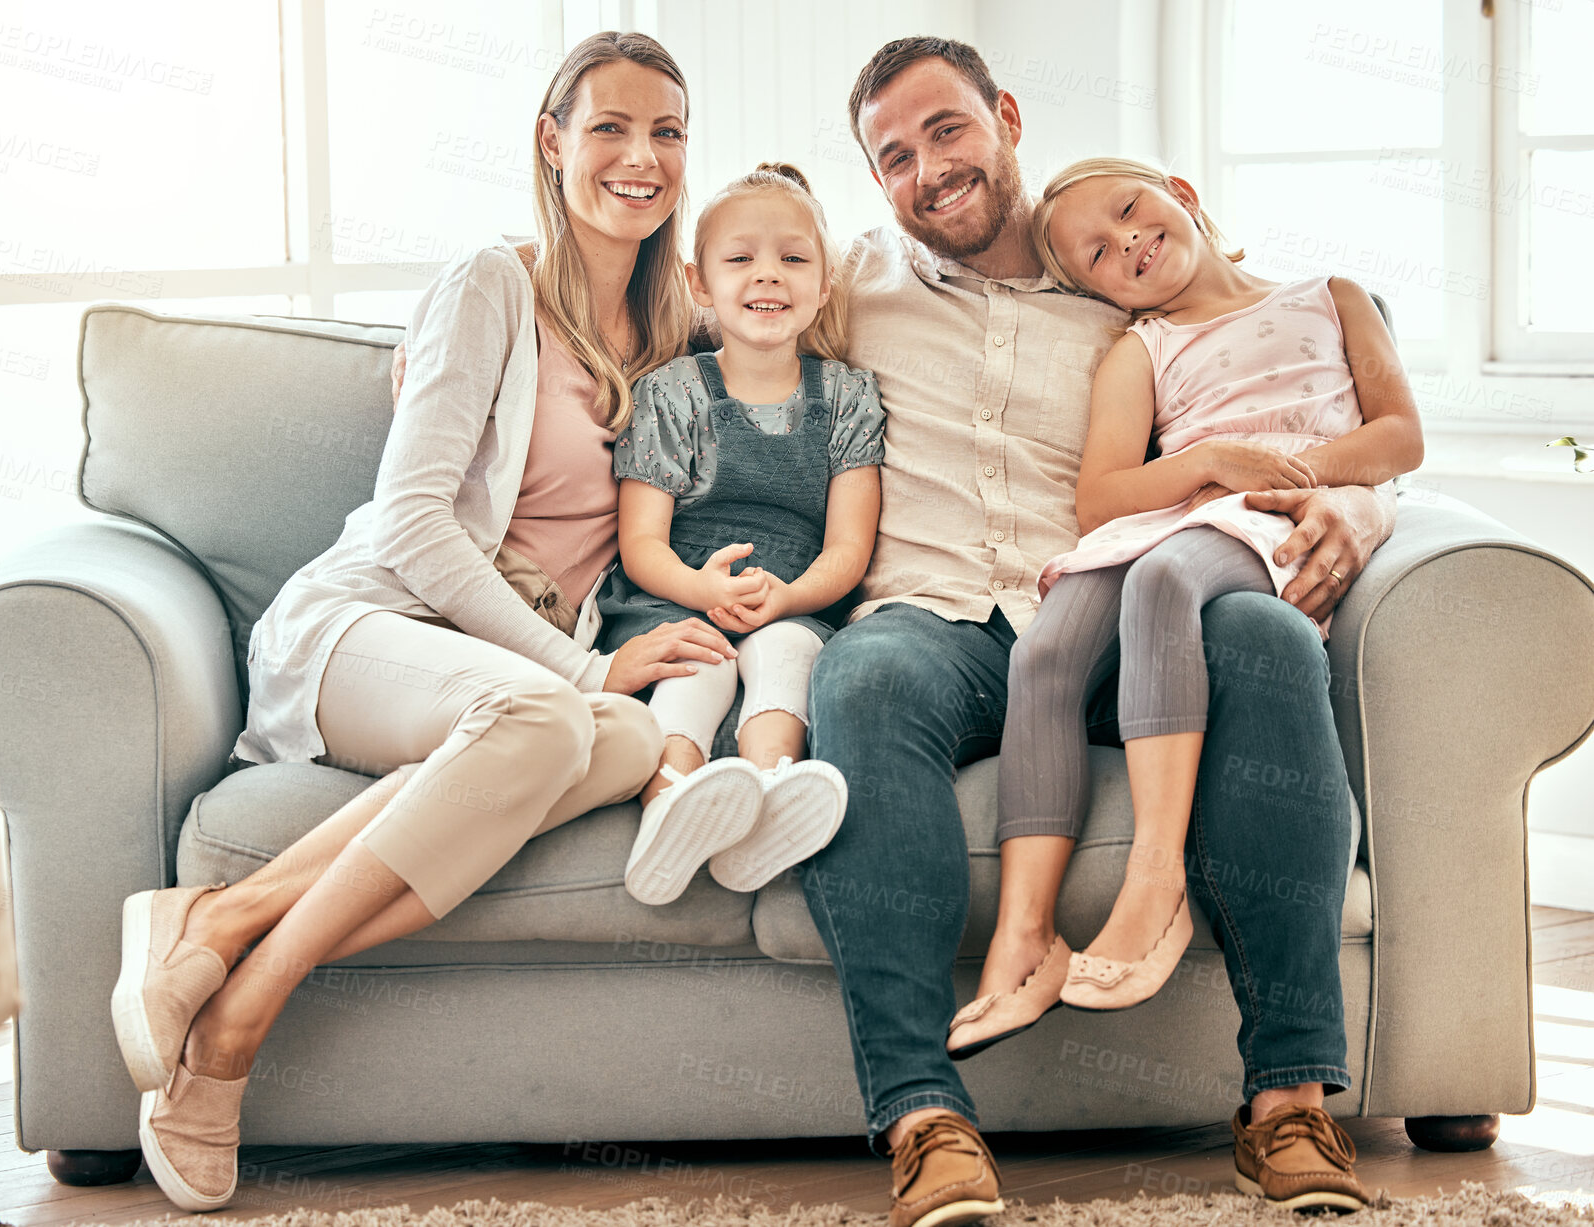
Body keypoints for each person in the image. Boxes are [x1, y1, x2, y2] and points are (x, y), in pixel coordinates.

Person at [106, 32, 734, 1213]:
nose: (640, 156)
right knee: (558, 710)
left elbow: (806, 276)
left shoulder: (675, 333)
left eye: (667, 131)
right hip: (363, 626)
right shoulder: (489, 284)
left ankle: (226, 932)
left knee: (623, 739)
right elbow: (410, 523)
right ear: (551, 144)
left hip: (513, 684)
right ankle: (238, 1021)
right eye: (609, 126)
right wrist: (583, 661)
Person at [802, 39, 1396, 1225]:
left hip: (1119, 608)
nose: (929, 169)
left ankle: (1287, 1097)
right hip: (936, 622)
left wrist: (1339, 493)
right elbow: (694, 275)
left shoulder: (1126, 288)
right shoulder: (850, 279)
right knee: (861, 685)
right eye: (895, 157)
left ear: (1006, 117)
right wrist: (512, 293)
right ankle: (926, 1116)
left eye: (948, 131)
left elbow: (1297, 393)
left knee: (1270, 644)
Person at [946, 155, 1421, 1039]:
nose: (1127, 240)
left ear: (1184, 195)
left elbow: (1399, 438)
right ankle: (1026, 940)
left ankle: (1156, 886)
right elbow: (1100, 499)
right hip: (1183, 508)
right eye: (1096, 254)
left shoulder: (1331, 296)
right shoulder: (1141, 348)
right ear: (1103, 296)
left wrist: (1287, 475)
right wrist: (1207, 462)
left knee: (1165, 580)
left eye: (1131, 210)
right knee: (1046, 651)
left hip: (1272, 520)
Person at [597, 162, 884, 906]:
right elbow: (642, 542)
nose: (769, 275)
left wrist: (788, 599)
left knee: (786, 652)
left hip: (792, 598)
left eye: (794, 258)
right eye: (740, 258)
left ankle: (770, 792)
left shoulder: (848, 394)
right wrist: (700, 590)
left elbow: (849, 549)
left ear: (824, 284)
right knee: (704, 659)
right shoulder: (673, 389)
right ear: (699, 282)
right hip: (673, 594)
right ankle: (668, 800)